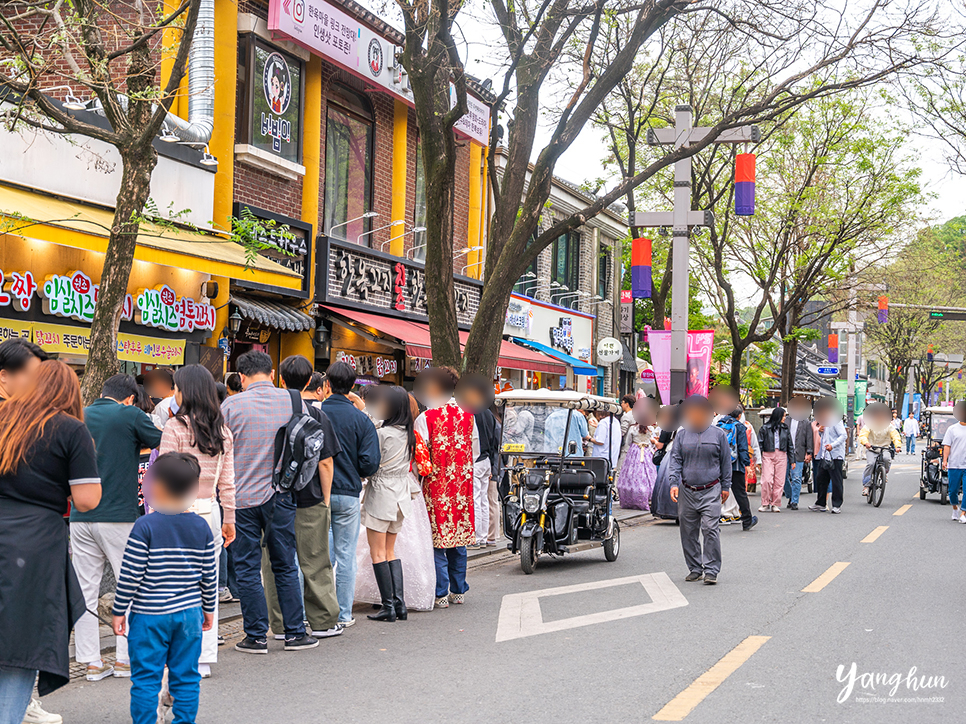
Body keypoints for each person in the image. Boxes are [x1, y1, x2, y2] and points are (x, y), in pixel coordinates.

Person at [0, 361, 100, 724]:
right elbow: (87, 499)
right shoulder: (70, 430)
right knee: (22, 643)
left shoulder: (3, 416)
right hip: (36, 544)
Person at [221, 350, 318, 653]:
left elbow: (220, 452)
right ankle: (294, 633)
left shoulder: (230, 406)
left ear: (240, 377)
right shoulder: (293, 401)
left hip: (241, 499)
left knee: (248, 568)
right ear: (272, 373)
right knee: (285, 564)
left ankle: (255, 636)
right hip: (281, 495)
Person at [111, 453, 216, 724]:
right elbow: (209, 575)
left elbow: (130, 574)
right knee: (186, 676)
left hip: (149, 616)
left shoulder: (145, 526)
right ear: (193, 489)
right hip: (189, 615)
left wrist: (119, 609)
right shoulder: (200, 526)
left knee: (146, 678)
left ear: (154, 486)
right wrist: (208, 609)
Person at [72, 373, 162, 681]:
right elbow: (163, 441)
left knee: (84, 590)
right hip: (119, 516)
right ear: (130, 397)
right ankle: (125, 659)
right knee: (131, 586)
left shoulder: (78, 415)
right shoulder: (130, 414)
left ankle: (91, 662)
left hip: (80, 517)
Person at [158, 365, 236, 678]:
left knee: (173, 587)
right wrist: (229, 518)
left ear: (185, 392)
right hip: (209, 512)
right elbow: (228, 482)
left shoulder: (174, 428)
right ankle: (203, 658)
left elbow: (162, 477)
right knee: (205, 586)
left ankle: (178, 655)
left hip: (176, 512)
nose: (174, 395)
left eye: (176, 388)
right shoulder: (223, 431)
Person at [261, 355, 344, 639]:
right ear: (311, 381)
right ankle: (322, 621)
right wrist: (325, 498)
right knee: (316, 560)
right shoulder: (318, 415)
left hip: (272, 498)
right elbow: (325, 462)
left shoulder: (270, 412)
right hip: (310, 498)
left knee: (275, 563)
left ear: (280, 380)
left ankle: (281, 623)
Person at [320, 361, 381, 626]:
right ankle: (343, 614)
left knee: (315, 556)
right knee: (346, 555)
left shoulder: (316, 414)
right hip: (348, 491)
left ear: (326, 385)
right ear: (353, 386)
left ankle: (313, 612)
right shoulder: (360, 420)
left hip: (315, 494)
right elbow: (370, 462)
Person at [414, 366, 479, 608]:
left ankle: (440, 593)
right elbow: (475, 451)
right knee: (458, 538)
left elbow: (420, 456)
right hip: (461, 486)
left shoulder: (426, 417)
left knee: (437, 540)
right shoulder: (468, 414)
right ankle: (459, 590)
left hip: (436, 486)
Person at [358, 385, 418, 622]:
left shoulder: (383, 434)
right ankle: (399, 604)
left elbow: (371, 463)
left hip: (382, 493)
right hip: (401, 494)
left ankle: (388, 606)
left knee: (377, 552)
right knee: (391, 550)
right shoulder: (408, 433)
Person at [667, 395, 733, 585]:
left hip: (711, 489)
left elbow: (726, 462)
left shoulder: (718, 434)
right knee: (688, 531)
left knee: (711, 528)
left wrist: (726, 486)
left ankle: (711, 569)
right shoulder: (681, 435)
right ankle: (695, 568)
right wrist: (673, 483)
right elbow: (676, 460)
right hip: (687, 490)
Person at [456, 375, 498, 549]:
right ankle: (482, 537)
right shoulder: (488, 413)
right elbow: (495, 438)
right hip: (486, 461)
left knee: (474, 500)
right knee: (483, 500)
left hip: (474, 459)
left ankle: (475, 537)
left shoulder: (469, 412)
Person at [710, 386, 756, 530]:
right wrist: (747, 465)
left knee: (716, 491)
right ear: (739, 415)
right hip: (735, 465)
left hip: (719, 463)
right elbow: (743, 449)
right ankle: (747, 520)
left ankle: (714, 518)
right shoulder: (740, 427)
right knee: (739, 492)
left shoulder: (718, 425)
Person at [616, 398, 658, 511]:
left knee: (631, 474)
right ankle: (648, 497)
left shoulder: (633, 428)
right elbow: (651, 440)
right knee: (648, 474)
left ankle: (631, 497)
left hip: (635, 451)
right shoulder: (649, 428)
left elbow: (629, 441)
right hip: (647, 451)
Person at [809, 397, 847, 513]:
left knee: (836, 480)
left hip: (835, 455)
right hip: (825, 455)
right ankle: (820, 503)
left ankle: (836, 505)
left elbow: (843, 435)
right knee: (821, 478)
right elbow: (825, 438)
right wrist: (821, 432)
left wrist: (833, 445)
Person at [857, 402, 902, 498]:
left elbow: (895, 436)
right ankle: (866, 486)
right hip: (872, 448)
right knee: (870, 464)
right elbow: (863, 434)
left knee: (887, 459)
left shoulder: (889, 426)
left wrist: (898, 446)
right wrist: (866, 443)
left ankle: (884, 473)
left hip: (884, 448)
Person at [757, 407, 792, 513]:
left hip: (782, 455)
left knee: (779, 481)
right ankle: (765, 502)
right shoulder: (765, 428)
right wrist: (758, 459)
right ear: (778, 416)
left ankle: (775, 503)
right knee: (766, 480)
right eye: (784, 416)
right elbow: (760, 443)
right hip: (768, 454)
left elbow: (790, 444)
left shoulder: (785, 428)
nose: (785, 418)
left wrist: (793, 460)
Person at [784, 398, 813, 511]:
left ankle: (794, 501)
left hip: (799, 453)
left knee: (796, 478)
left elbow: (809, 439)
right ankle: (790, 496)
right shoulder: (786, 420)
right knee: (784, 477)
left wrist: (809, 453)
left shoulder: (806, 423)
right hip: (785, 453)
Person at [0, 338, 47, 402]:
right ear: (4, 376)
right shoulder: (7, 410)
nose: (36, 383)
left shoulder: (13, 407)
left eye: (38, 376)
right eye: (29, 375)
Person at [941, 401, 966, 522]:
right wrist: (945, 460)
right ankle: (955, 508)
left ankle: (963, 513)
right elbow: (947, 446)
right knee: (953, 490)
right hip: (955, 464)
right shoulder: (952, 429)